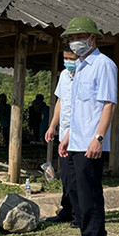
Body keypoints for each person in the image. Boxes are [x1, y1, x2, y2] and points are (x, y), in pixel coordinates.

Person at [58, 16, 117, 236]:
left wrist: (99, 138)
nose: (75, 42)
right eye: (71, 38)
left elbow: (108, 104)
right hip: (75, 140)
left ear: (92, 38)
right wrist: (67, 136)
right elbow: (79, 109)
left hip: (90, 142)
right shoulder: (80, 66)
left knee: (90, 193)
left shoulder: (103, 65)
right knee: (77, 193)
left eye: (79, 37)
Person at [44, 44, 79, 226]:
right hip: (63, 132)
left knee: (76, 177)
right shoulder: (64, 75)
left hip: (79, 134)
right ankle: (67, 209)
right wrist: (52, 126)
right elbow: (60, 101)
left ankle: (78, 214)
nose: (68, 62)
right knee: (65, 174)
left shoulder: (84, 76)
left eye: (72, 59)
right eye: (65, 58)